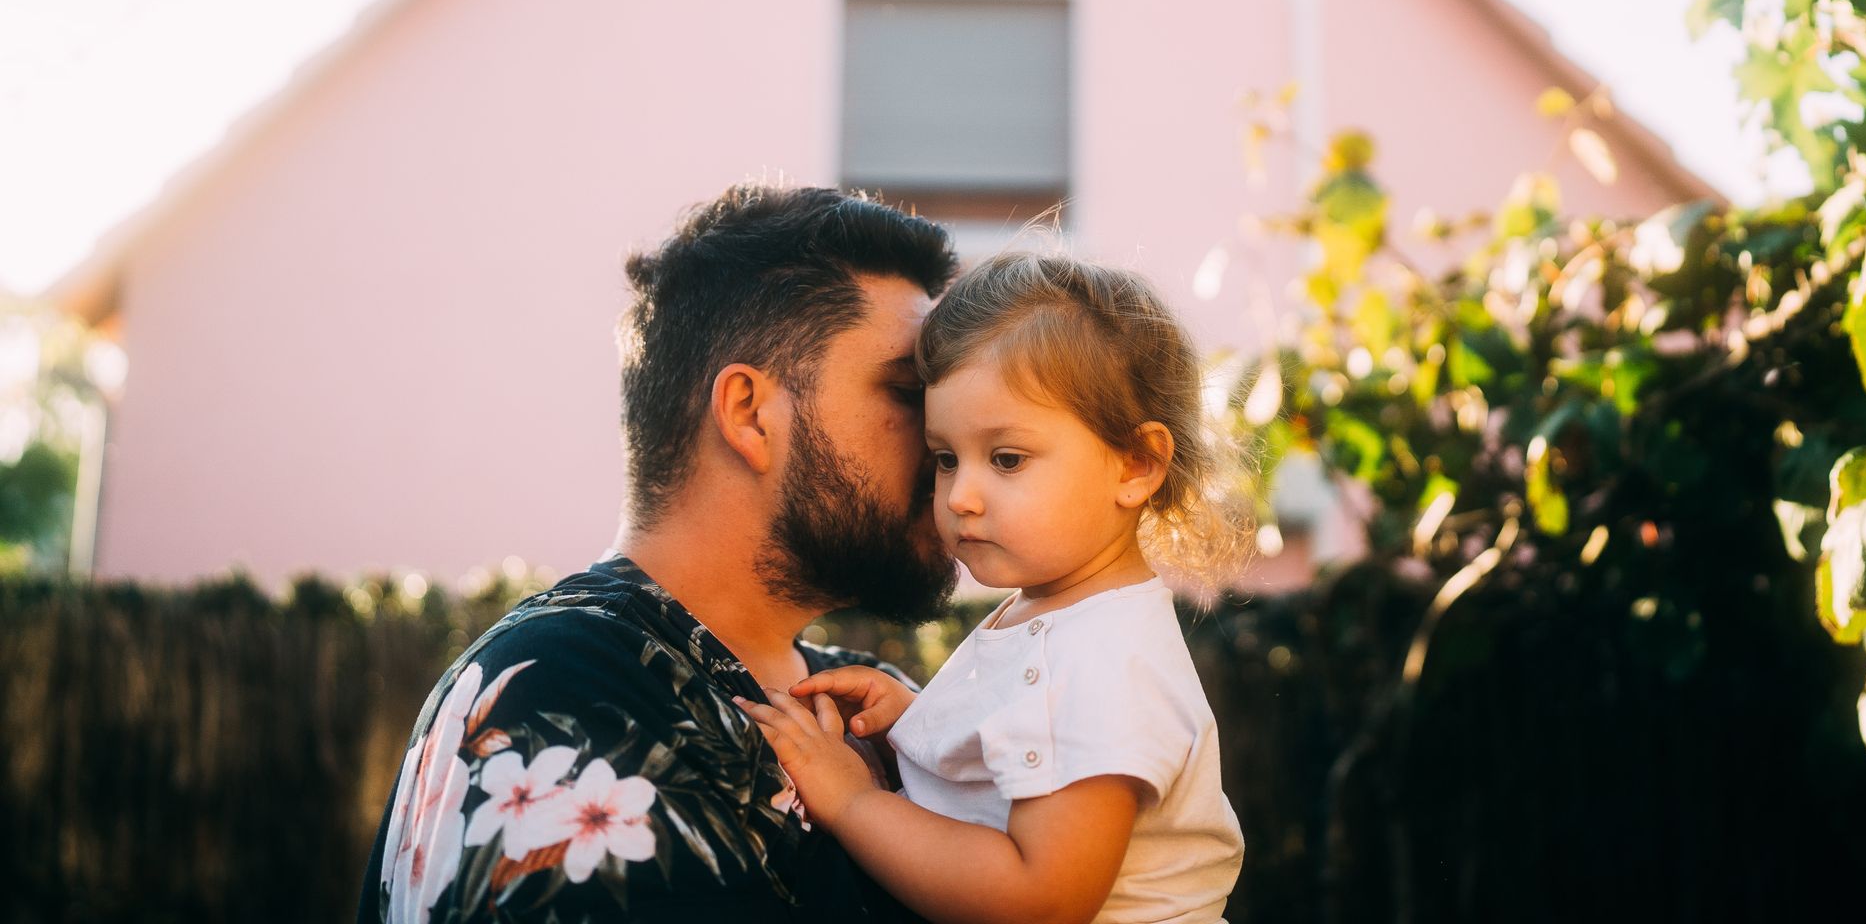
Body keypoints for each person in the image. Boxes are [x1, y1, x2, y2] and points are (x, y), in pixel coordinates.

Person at [357, 184, 959, 923]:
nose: (948, 435)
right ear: (749, 414)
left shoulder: (875, 708)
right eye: (910, 392)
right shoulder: (562, 697)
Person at [738, 252, 1250, 924]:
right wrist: (922, 725)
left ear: (1136, 464)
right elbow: (1026, 764)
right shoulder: (1060, 611)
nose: (961, 497)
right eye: (947, 458)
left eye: (1007, 458)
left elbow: (1038, 897)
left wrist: (854, 803)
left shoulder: (1101, 662)